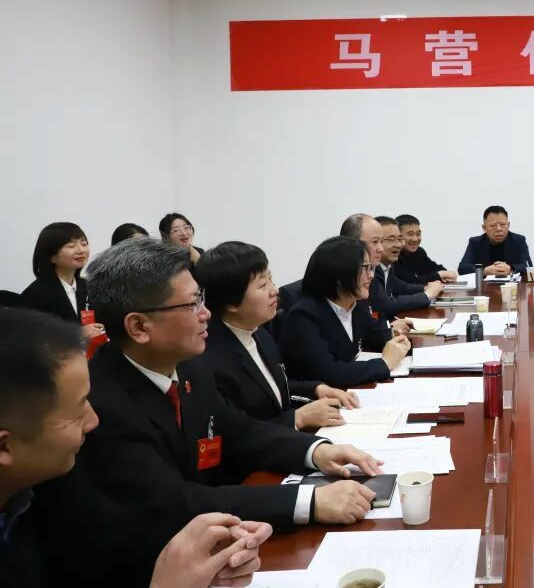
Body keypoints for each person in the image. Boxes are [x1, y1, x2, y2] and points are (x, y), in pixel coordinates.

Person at [70, 238, 383, 581]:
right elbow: (177, 502)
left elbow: (239, 431)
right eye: (191, 304)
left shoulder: (188, 365)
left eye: (201, 300)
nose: (205, 313)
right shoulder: (102, 404)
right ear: (139, 327)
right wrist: (308, 502)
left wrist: (316, 451)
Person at [0, 308, 272, 588]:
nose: (93, 421)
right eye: (78, 409)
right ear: (5, 447)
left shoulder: (39, 493)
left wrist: (199, 558)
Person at [194, 241, 359, 429]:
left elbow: (269, 390)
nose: (275, 290)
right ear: (232, 302)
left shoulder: (259, 332)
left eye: (271, 279)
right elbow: (235, 432)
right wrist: (297, 418)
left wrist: (315, 389)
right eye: (263, 285)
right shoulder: (210, 358)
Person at [280, 236, 410, 388]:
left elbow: (372, 335)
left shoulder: (355, 303)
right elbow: (330, 373)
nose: (371, 275)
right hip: (324, 399)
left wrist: (397, 338)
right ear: (339, 274)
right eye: (365, 268)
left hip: (352, 391)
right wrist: (385, 363)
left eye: (371, 268)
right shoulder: (304, 317)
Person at [20, 222, 104, 341]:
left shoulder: (88, 286)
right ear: (52, 256)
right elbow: (32, 337)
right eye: (71, 246)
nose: (81, 250)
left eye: (84, 244)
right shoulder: (36, 293)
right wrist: (75, 334)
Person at [375, 216, 444, 312]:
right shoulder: (369, 270)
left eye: (400, 239)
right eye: (391, 239)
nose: (398, 245)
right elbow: (386, 304)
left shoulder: (387, 266)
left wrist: (426, 288)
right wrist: (427, 295)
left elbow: (403, 287)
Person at [457, 205, 533, 277]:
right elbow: (462, 268)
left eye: (503, 224)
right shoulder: (475, 242)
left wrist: (511, 268)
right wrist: (484, 271)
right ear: (484, 228)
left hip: (512, 285)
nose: (498, 229)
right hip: (485, 286)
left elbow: (528, 266)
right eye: (493, 225)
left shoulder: (519, 240)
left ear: (508, 225)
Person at [395, 214, 458, 284]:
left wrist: (443, 275)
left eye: (418, 234)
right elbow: (409, 282)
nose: (415, 239)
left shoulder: (419, 252)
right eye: (410, 234)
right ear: (398, 236)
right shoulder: (394, 255)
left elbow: (436, 269)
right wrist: (440, 275)